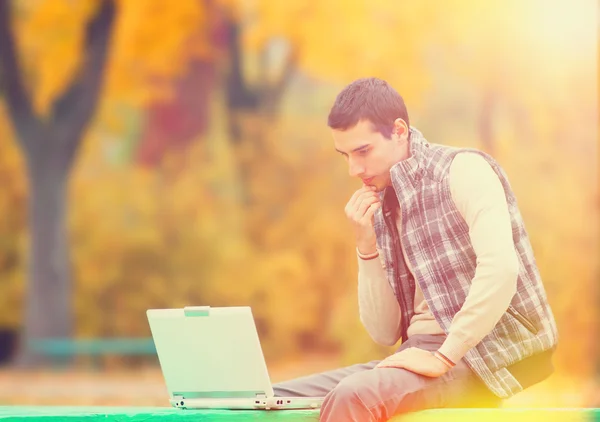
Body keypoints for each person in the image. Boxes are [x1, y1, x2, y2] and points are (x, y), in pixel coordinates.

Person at [272, 77, 559, 422]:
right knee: (270, 398)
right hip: (417, 356)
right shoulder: (382, 202)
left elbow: (501, 270)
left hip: (484, 355)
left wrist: (444, 356)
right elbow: (384, 332)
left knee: (355, 397)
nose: (354, 169)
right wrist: (366, 247)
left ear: (399, 130)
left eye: (363, 152)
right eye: (345, 155)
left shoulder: (464, 170)